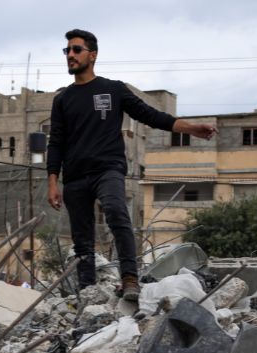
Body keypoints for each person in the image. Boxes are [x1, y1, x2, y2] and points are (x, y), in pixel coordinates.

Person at [46, 28, 216, 300]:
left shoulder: (112, 89)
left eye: (76, 50)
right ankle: (87, 292)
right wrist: (53, 182)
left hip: (107, 169)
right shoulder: (63, 99)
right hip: (75, 177)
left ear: (93, 54)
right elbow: (55, 142)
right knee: (82, 239)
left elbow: (152, 116)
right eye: (67, 50)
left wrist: (191, 128)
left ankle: (129, 279)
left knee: (116, 211)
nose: (70, 55)